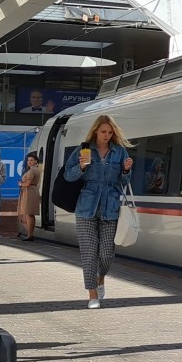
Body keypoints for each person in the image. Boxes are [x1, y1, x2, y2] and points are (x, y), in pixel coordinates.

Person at [63, 115, 133, 308]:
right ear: (96, 131)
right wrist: (81, 167)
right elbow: (68, 176)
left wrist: (126, 171)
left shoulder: (119, 152)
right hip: (86, 206)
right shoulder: (85, 149)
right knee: (89, 252)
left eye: (110, 132)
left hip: (110, 206)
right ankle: (92, 295)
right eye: (103, 132)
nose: (107, 135)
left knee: (106, 254)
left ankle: (100, 277)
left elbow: (124, 182)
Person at [15, 151, 40, 240]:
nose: (29, 162)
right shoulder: (35, 169)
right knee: (30, 214)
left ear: (36, 161)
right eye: (28, 160)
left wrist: (21, 184)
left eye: (32, 160)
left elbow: (28, 183)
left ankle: (30, 235)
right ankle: (30, 234)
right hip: (32, 191)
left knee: (29, 214)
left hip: (29, 192)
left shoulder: (32, 170)